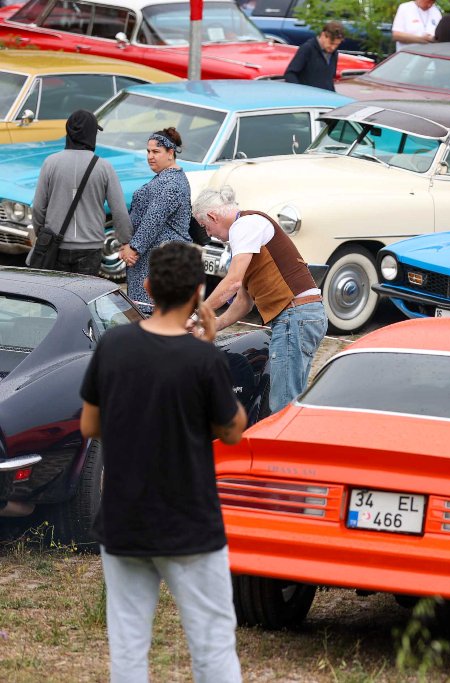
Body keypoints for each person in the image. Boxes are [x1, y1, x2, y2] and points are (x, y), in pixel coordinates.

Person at [80, 241, 247, 683]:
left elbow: (88, 425)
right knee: (212, 645)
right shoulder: (203, 358)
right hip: (189, 521)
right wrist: (209, 349)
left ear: (149, 287)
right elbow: (232, 431)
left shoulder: (113, 346)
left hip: (124, 518)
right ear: (198, 291)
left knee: (129, 646)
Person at [194, 186, 327, 414]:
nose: (209, 234)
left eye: (206, 227)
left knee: (281, 404)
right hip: (301, 315)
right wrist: (212, 325)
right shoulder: (248, 229)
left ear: (213, 216)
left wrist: (197, 313)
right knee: (291, 400)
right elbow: (243, 301)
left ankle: (281, 448)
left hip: (294, 316)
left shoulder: (244, 226)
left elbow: (232, 283)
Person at [31, 110, 131, 275]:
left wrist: (42, 234)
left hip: (56, 245)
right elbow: (119, 210)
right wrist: (125, 241)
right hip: (90, 248)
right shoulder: (104, 167)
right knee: (82, 298)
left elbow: (38, 207)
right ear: (92, 134)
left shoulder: (50, 163)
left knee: (56, 295)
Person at [119, 128, 191, 313]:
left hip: (159, 261)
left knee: (153, 313)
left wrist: (133, 248)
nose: (150, 156)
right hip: (149, 260)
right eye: (148, 152)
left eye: (156, 152)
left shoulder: (172, 182)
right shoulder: (164, 178)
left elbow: (154, 219)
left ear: (170, 153)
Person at [283, 21, 344, 91]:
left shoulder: (334, 53)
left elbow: (329, 79)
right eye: (331, 43)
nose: (333, 47)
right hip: (309, 98)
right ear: (323, 35)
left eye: (336, 45)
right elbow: (290, 74)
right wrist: (299, 92)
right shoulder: (307, 48)